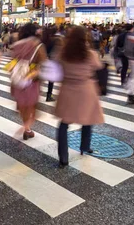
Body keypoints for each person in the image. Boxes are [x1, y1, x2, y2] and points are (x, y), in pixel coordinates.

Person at [55, 26, 104, 168]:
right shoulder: (90, 54)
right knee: (88, 118)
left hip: (67, 89)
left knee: (64, 124)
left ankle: (63, 158)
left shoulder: (63, 53)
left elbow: (57, 68)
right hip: (86, 89)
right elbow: (98, 67)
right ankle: (85, 146)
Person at [10, 23, 46, 140]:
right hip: (32, 79)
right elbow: (44, 62)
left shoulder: (16, 44)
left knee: (23, 106)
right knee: (32, 106)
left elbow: (13, 62)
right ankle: (27, 127)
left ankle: (27, 128)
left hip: (17, 79)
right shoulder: (38, 45)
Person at [42, 26, 62, 102]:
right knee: (51, 80)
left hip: (46, 60)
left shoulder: (46, 40)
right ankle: (49, 95)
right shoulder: (57, 40)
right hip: (53, 61)